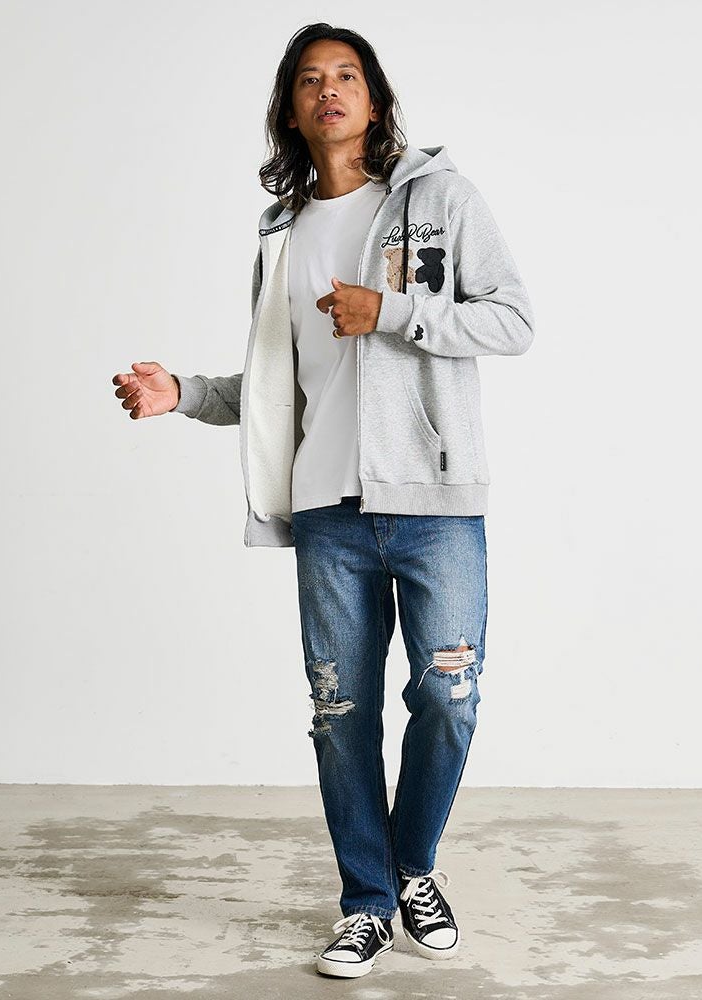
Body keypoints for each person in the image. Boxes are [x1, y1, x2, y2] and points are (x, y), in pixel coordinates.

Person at [112, 22, 535, 980]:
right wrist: (185, 393)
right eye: (310, 80)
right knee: (341, 713)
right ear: (292, 110)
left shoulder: (439, 199)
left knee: (449, 697)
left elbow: (513, 321)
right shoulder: (282, 233)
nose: (329, 90)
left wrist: (391, 311)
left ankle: (411, 864)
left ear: (374, 101)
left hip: (434, 499)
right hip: (327, 514)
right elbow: (276, 381)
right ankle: (367, 904)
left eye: (347, 75)